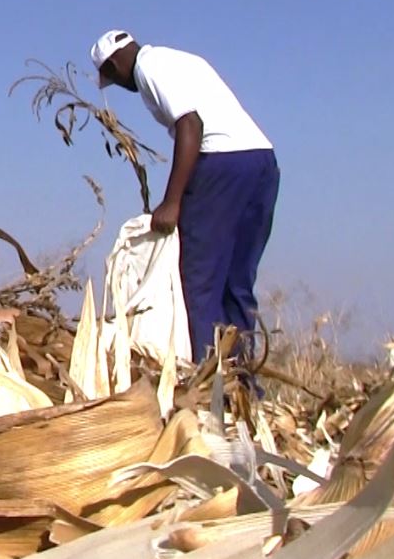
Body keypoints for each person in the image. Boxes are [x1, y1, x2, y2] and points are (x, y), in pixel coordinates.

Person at [91, 30, 279, 359]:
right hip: (260, 161)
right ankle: (242, 386)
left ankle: (206, 384)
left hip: (222, 164)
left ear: (114, 63)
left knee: (196, 281)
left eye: (111, 77)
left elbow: (190, 125)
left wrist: (172, 202)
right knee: (237, 283)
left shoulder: (149, 68)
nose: (119, 84)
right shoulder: (182, 59)